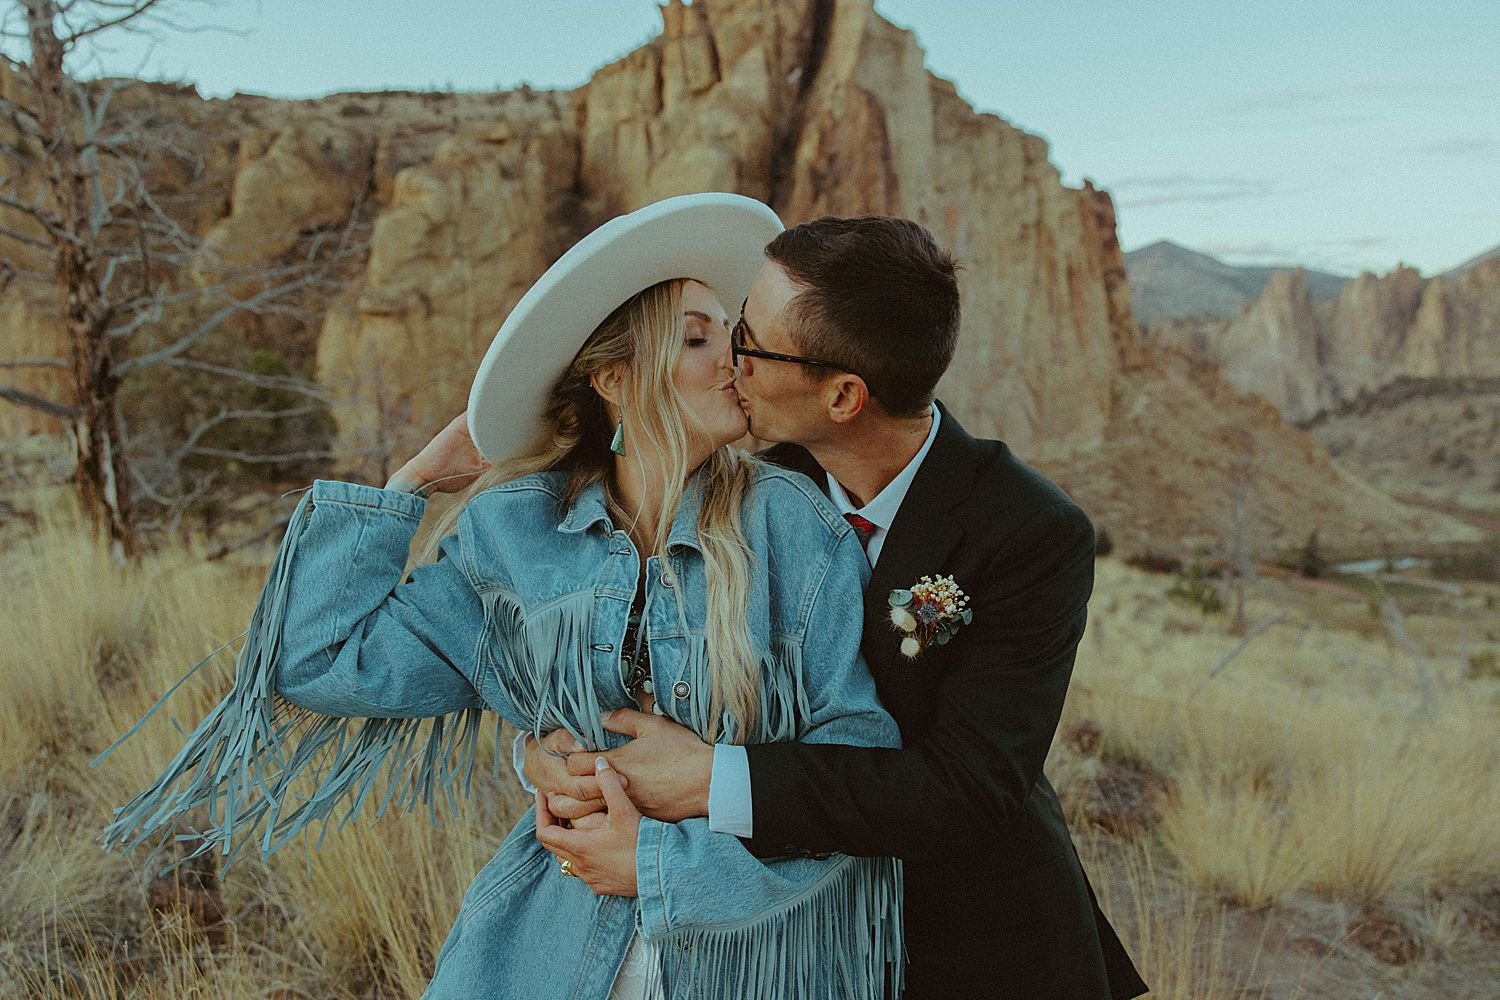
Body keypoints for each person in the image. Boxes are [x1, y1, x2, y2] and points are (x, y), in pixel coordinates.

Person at [96, 195, 905, 1000]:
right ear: (614, 379)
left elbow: (859, 762)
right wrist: (410, 487)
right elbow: (317, 661)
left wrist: (663, 866)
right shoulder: (514, 534)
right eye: (695, 338)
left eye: (728, 333)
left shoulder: (793, 526)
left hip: (754, 954)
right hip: (553, 945)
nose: (731, 359)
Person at [527, 214, 1150, 999]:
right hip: (782, 935)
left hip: (962, 942)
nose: (730, 361)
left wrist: (714, 781)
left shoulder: (1028, 532)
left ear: (844, 394)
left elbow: (967, 790)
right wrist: (555, 749)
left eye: (749, 341)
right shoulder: (738, 485)